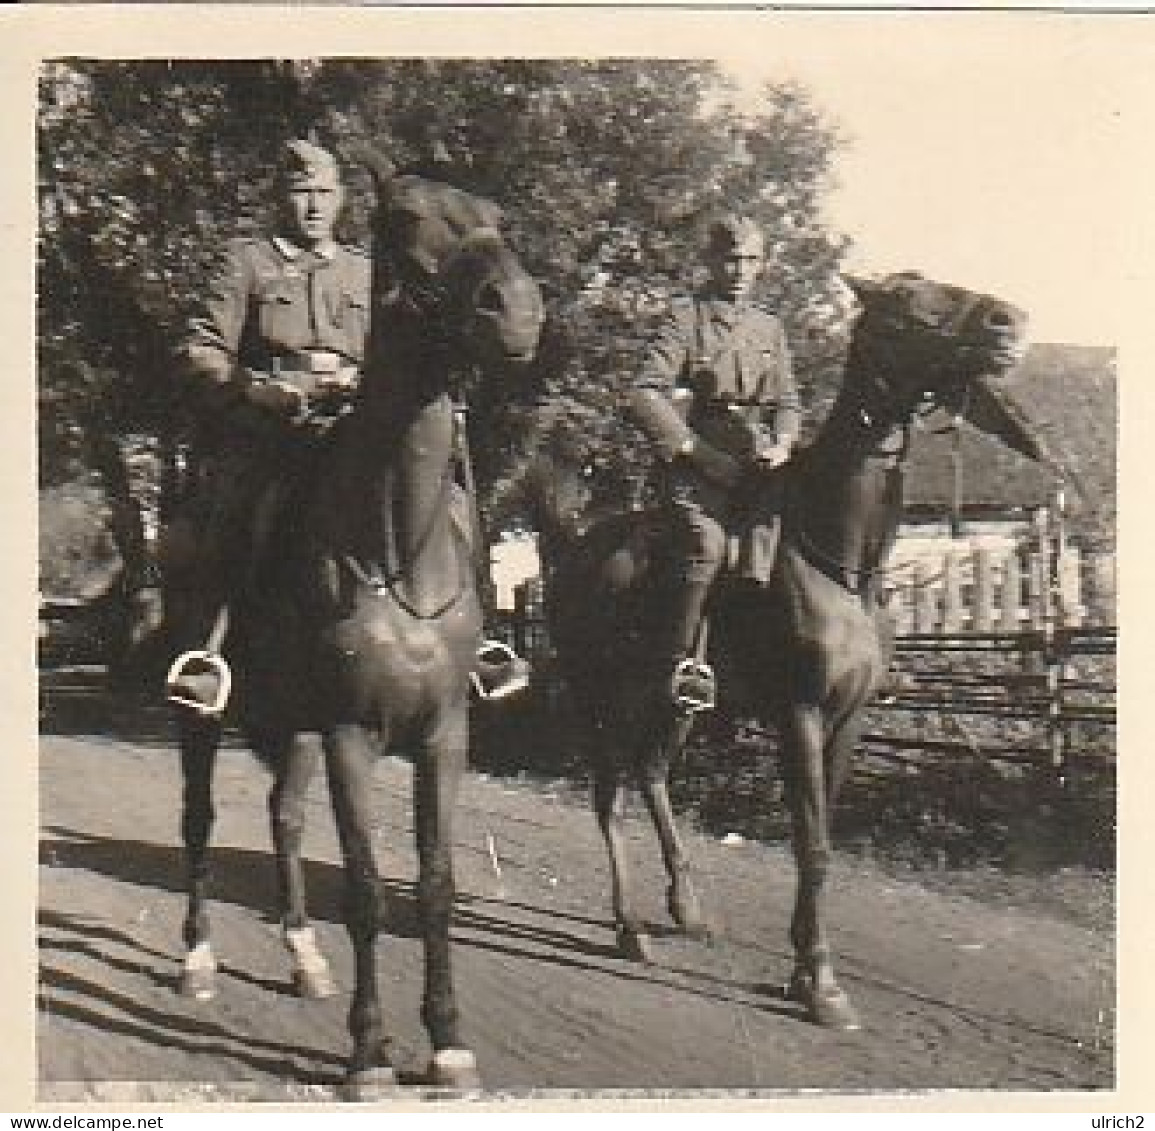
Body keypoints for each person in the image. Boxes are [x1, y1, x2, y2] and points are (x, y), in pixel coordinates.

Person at [164, 138, 526, 712]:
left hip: (359, 425)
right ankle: (210, 652)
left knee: (452, 496)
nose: (312, 204)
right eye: (300, 191)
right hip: (274, 429)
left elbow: (404, 341)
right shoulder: (248, 263)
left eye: (324, 192)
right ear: (280, 197)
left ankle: (482, 638)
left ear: (340, 200)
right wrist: (260, 389)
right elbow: (199, 350)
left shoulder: (365, 269)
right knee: (240, 502)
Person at [627, 214, 801, 712]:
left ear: (762, 264)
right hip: (699, 468)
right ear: (711, 261)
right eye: (730, 258)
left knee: (802, 546)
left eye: (750, 259)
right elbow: (642, 393)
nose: (740, 269)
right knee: (707, 547)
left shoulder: (770, 326)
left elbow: (788, 400)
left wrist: (783, 442)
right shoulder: (687, 318)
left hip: (759, 466)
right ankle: (681, 667)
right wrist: (698, 454)